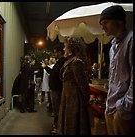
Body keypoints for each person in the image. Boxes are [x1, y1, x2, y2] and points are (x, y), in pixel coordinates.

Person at [99, 5, 133, 135]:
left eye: (106, 22)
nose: (103, 27)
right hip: (111, 106)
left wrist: (124, 107)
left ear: (119, 20)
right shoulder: (113, 45)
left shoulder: (131, 40)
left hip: (123, 109)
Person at [57, 37, 91, 135]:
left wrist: (83, 100)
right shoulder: (68, 62)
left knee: (73, 126)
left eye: (65, 47)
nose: (64, 49)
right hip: (67, 98)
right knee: (67, 124)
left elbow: (83, 85)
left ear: (71, 49)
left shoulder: (76, 62)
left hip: (75, 100)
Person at [41, 43, 66, 134]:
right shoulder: (60, 61)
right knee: (56, 108)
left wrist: (45, 67)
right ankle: (57, 125)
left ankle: (57, 126)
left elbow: (54, 73)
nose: (54, 54)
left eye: (55, 52)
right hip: (56, 89)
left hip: (57, 89)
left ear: (60, 52)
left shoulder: (62, 61)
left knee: (57, 109)